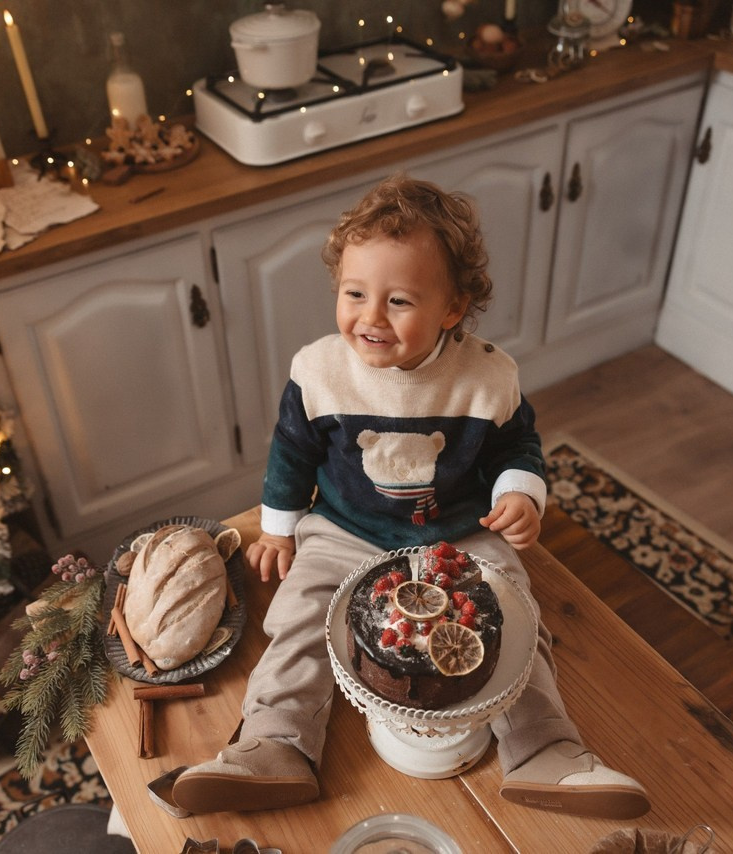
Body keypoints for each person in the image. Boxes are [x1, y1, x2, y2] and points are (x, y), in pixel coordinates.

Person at [171, 174, 649, 819]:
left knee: (516, 621)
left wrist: (521, 493)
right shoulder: (318, 371)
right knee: (298, 617)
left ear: (452, 309)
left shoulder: (486, 376)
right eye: (354, 293)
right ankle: (275, 745)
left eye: (398, 300)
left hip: (461, 529)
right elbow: (293, 451)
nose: (369, 318)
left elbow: (517, 447)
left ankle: (546, 752)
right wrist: (280, 528)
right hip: (344, 527)